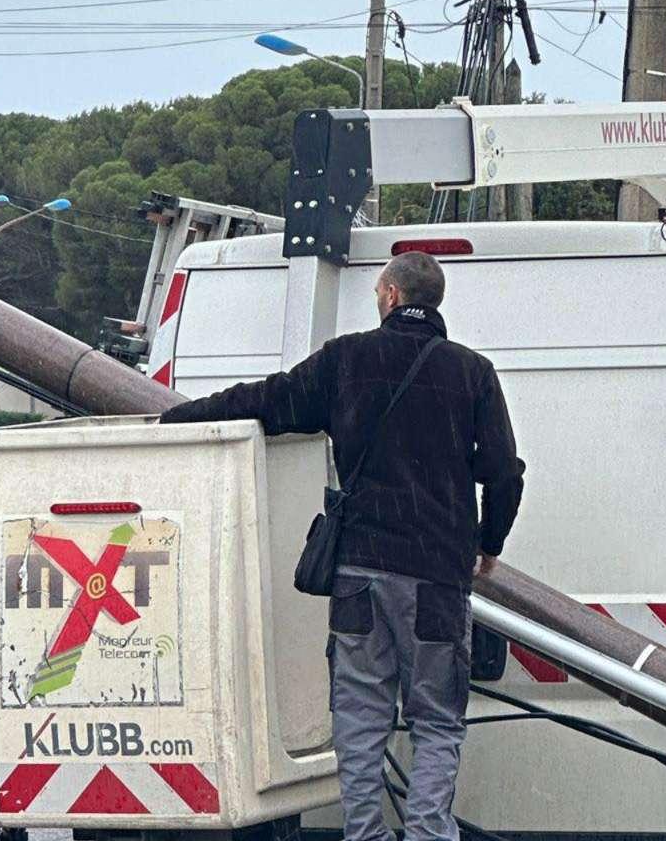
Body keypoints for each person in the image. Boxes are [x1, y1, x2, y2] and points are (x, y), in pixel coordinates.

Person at [160, 251, 524, 841]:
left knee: (359, 718)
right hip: (436, 578)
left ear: (388, 295)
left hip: (359, 573)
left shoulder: (347, 359)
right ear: (432, 302)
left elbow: (267, 401)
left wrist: (181, 417)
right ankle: (429, 833)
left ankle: (364, 834)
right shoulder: (472, 372)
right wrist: (490, 540)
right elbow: (503, 472)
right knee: (436, 720)